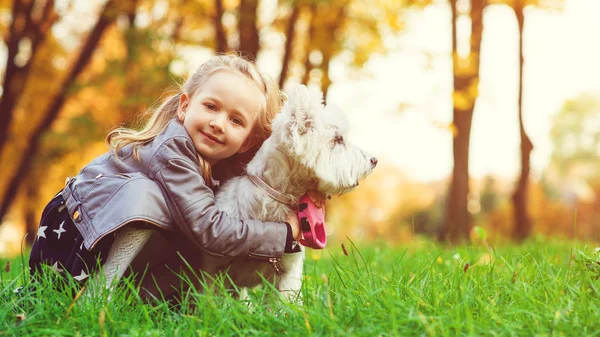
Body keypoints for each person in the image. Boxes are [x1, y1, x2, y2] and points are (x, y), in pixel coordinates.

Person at [28, 55, 322, 291]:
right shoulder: (174, 150)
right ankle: (96, 297)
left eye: (235, 120)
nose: (219, 123)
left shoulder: (222, 164)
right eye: (211, 107)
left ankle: (137, 297)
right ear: (184, 106)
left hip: (97, 239)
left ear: (246, 141)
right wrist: (284, 233)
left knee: (187, 246)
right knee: (149, 196)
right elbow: (211, 230)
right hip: (69, 237)